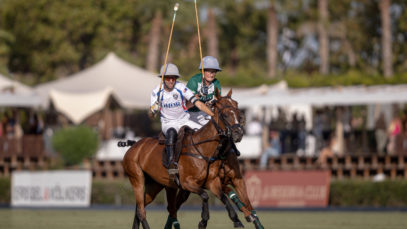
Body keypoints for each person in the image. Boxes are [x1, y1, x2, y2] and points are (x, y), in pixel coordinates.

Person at [150, 63, 214, 178]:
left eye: (173, 78)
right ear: (163, 78)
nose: (171, 80)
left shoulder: (181, 87)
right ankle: (171, 165)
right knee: (171, 133)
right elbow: (151, 115)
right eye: (168, 78)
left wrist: (213, 115)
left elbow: (198, 103)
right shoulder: (156, 92)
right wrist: (154, 109)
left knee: (205, 133)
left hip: (185, 119)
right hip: (168, 123)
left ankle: (211, 161)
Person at [186, 56, 222, 126]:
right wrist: (199, 95)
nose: (211, 74)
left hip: (207, 114)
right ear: (202, 71)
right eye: (208, 71)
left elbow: (217, 103)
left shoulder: (216, 83)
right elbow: (187, 105)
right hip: (191, 114)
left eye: (214, 71)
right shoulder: (193, 81)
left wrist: (211, 103)